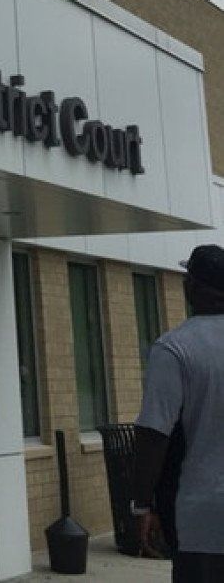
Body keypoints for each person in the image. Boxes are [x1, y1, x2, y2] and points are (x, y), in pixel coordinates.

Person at [132, 244, 224, 582]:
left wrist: (141, 504)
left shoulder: (174, 348)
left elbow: (154, 433)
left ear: (193, 287)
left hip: (200, 516)